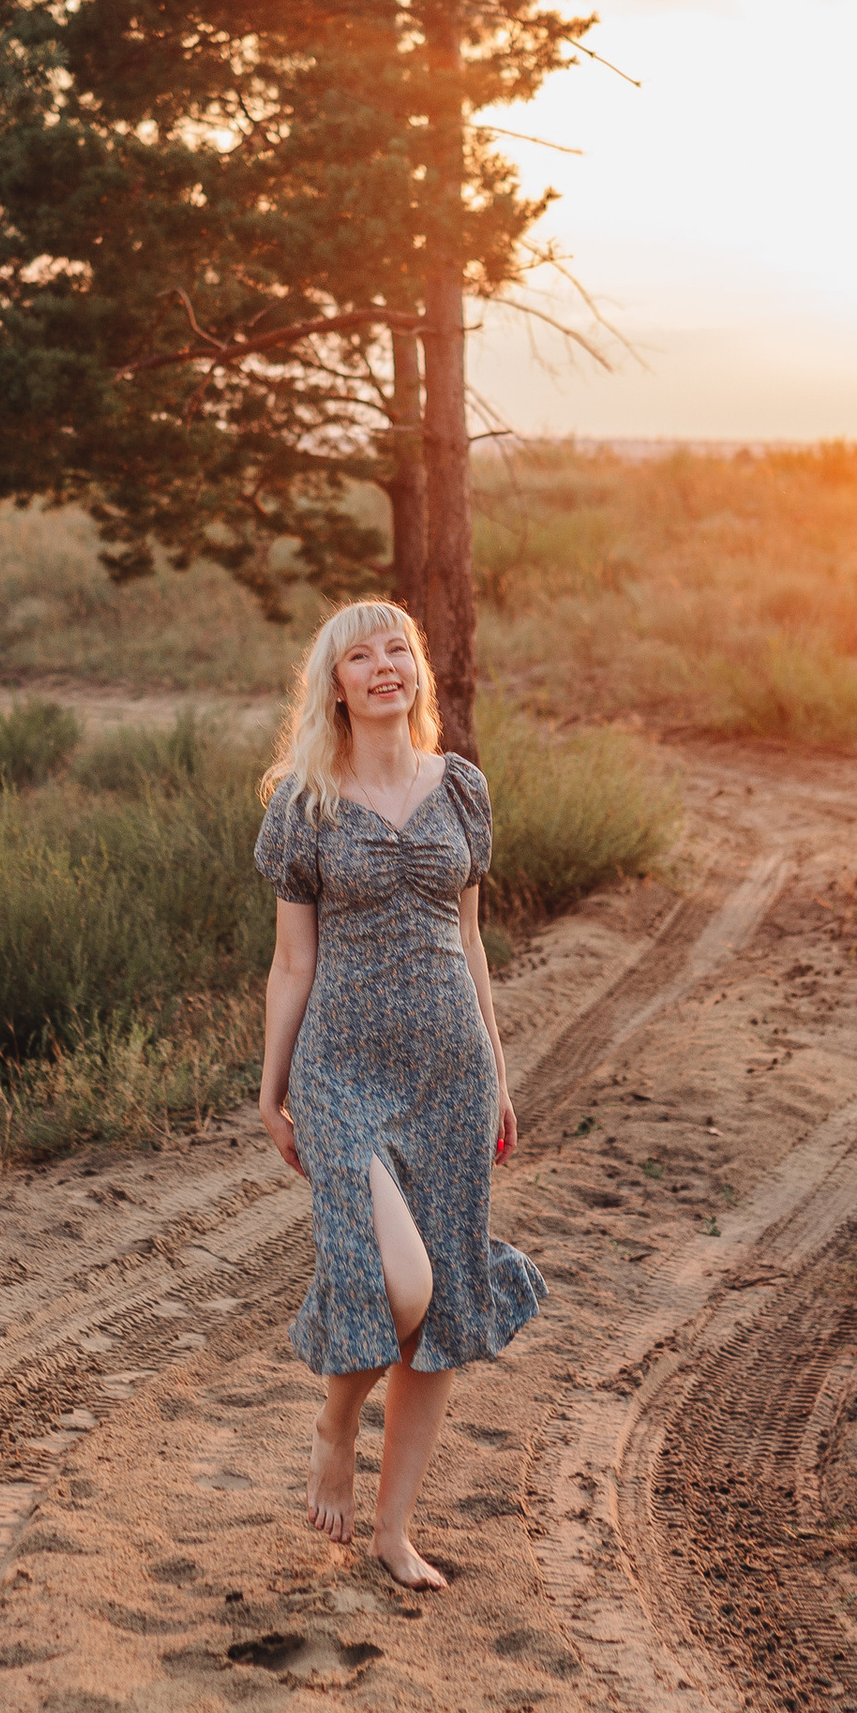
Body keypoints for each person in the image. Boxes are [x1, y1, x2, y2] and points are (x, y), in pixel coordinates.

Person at [253, 601, 543, 1589]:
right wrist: (272, 1084)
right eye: (361, 656)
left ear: (415, 673)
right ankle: (337, 1427)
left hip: (450, 1071)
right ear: (333, 684)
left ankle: (393, 1531)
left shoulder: (460, 789)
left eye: (399, 652)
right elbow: (291, 964)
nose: (385, 667)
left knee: (446, 1306)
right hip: (340, 1067)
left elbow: (469, 945)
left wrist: (496, 1069)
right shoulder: (304, 803)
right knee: (401, 1283)